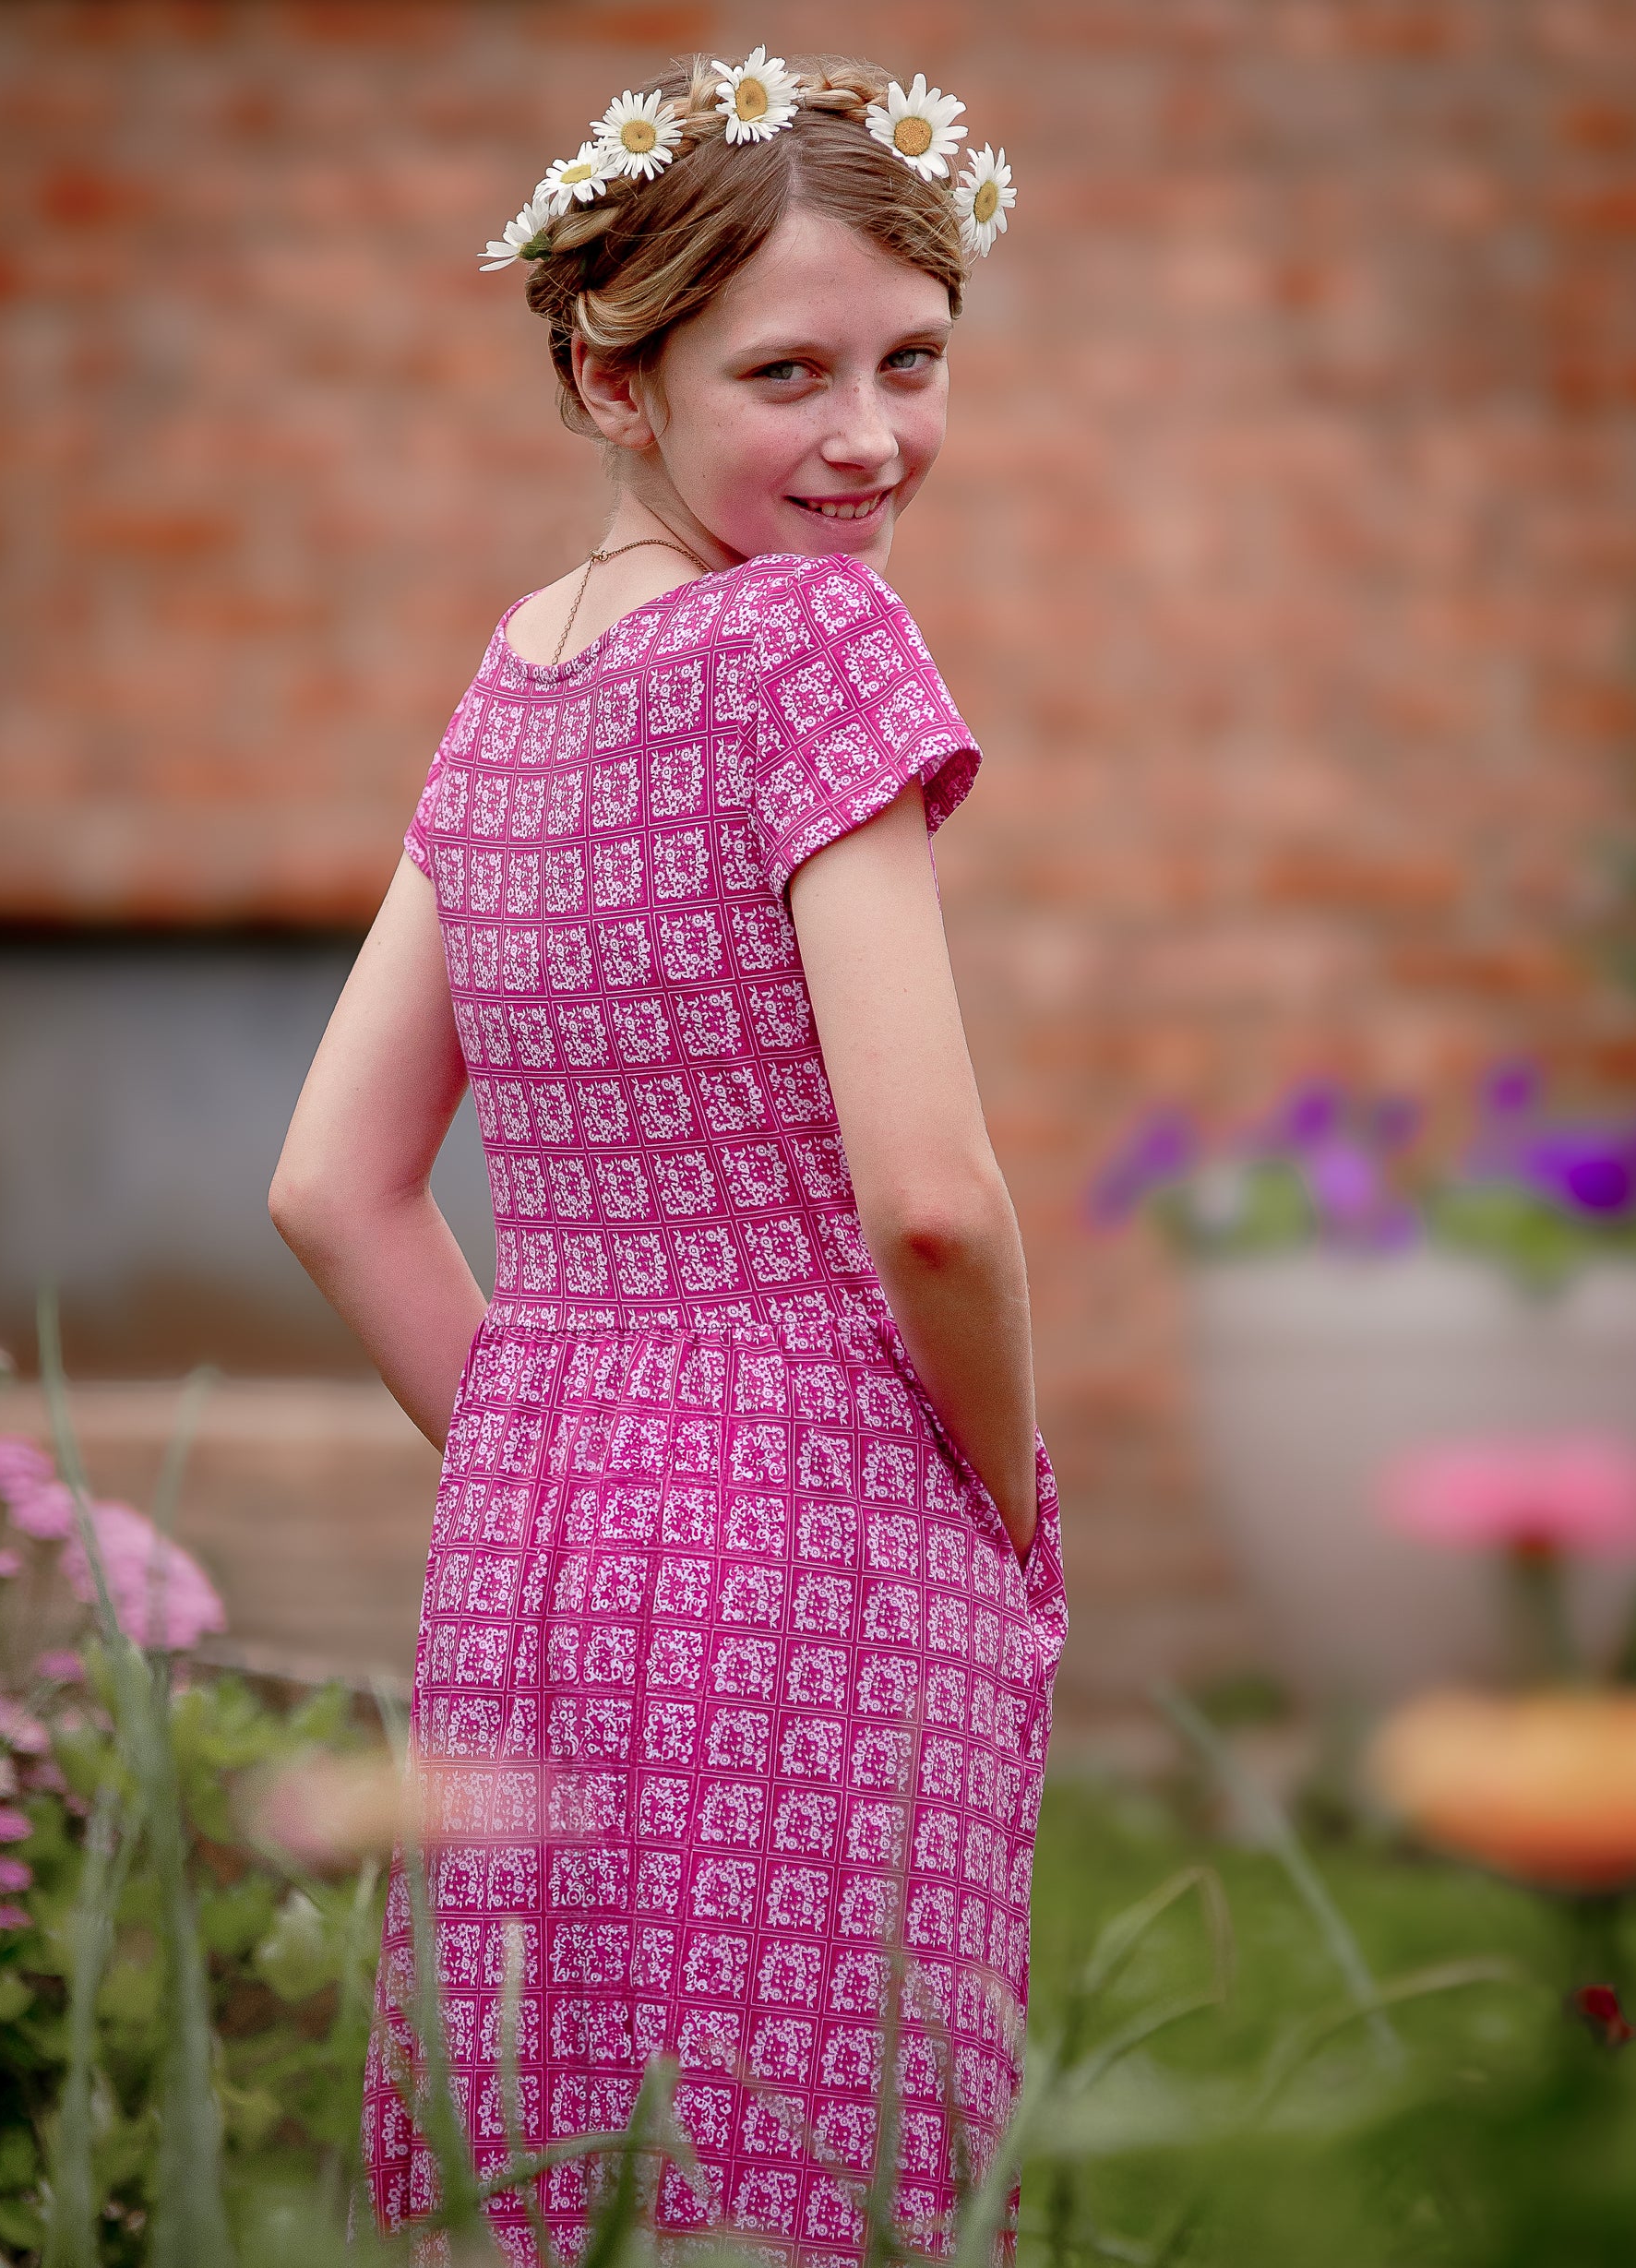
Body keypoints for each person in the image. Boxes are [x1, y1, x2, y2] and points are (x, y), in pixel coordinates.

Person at [270, 47, 1065, 2263]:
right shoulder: (815, 638)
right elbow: (929, 1197)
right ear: (610, 381)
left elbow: (332, 1186)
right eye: (786, 372)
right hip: (824, 1510)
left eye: (914, 361)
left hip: (534, 1533)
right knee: (811, 2147)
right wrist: (998, 1500)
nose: (867, 435)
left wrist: (557, 1438)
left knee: (561, 2151)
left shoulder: (513, 683)